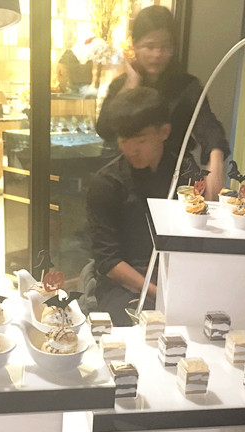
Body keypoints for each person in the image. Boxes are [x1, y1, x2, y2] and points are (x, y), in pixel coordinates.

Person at [96, 5, 229, 202]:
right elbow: (104, 129)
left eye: (165, 47)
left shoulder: (187, 86)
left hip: (172, 175)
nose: (157, 55)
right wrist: (131, 86)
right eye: (149, 47)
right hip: (129, 175)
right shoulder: (121, 85)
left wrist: (216, 161)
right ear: (135, 45)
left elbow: (207, 125)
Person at [87, 87, 180, 326]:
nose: (131, 150)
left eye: (140, 140)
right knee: (143, 326)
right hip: (125, 285)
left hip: (176, 279)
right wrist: (158, 293)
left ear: (164, 132)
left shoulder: (183, 175)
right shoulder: (107, 183)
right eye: (124, 140)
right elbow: (108, 261)